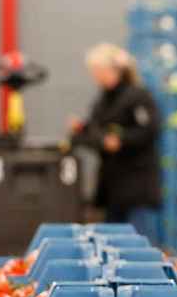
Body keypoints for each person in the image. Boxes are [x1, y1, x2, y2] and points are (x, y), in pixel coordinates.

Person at [68, 43, 162, 239]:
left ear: (115, 70)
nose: (96, 76)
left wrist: (121, 140)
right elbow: (98, 130)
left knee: (138, 243)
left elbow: (150, 130)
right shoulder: (102, 100)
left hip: (137, 186)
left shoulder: (138, 97)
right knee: (113, 244)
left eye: (99, 70)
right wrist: (83, 130)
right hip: (112, 187)